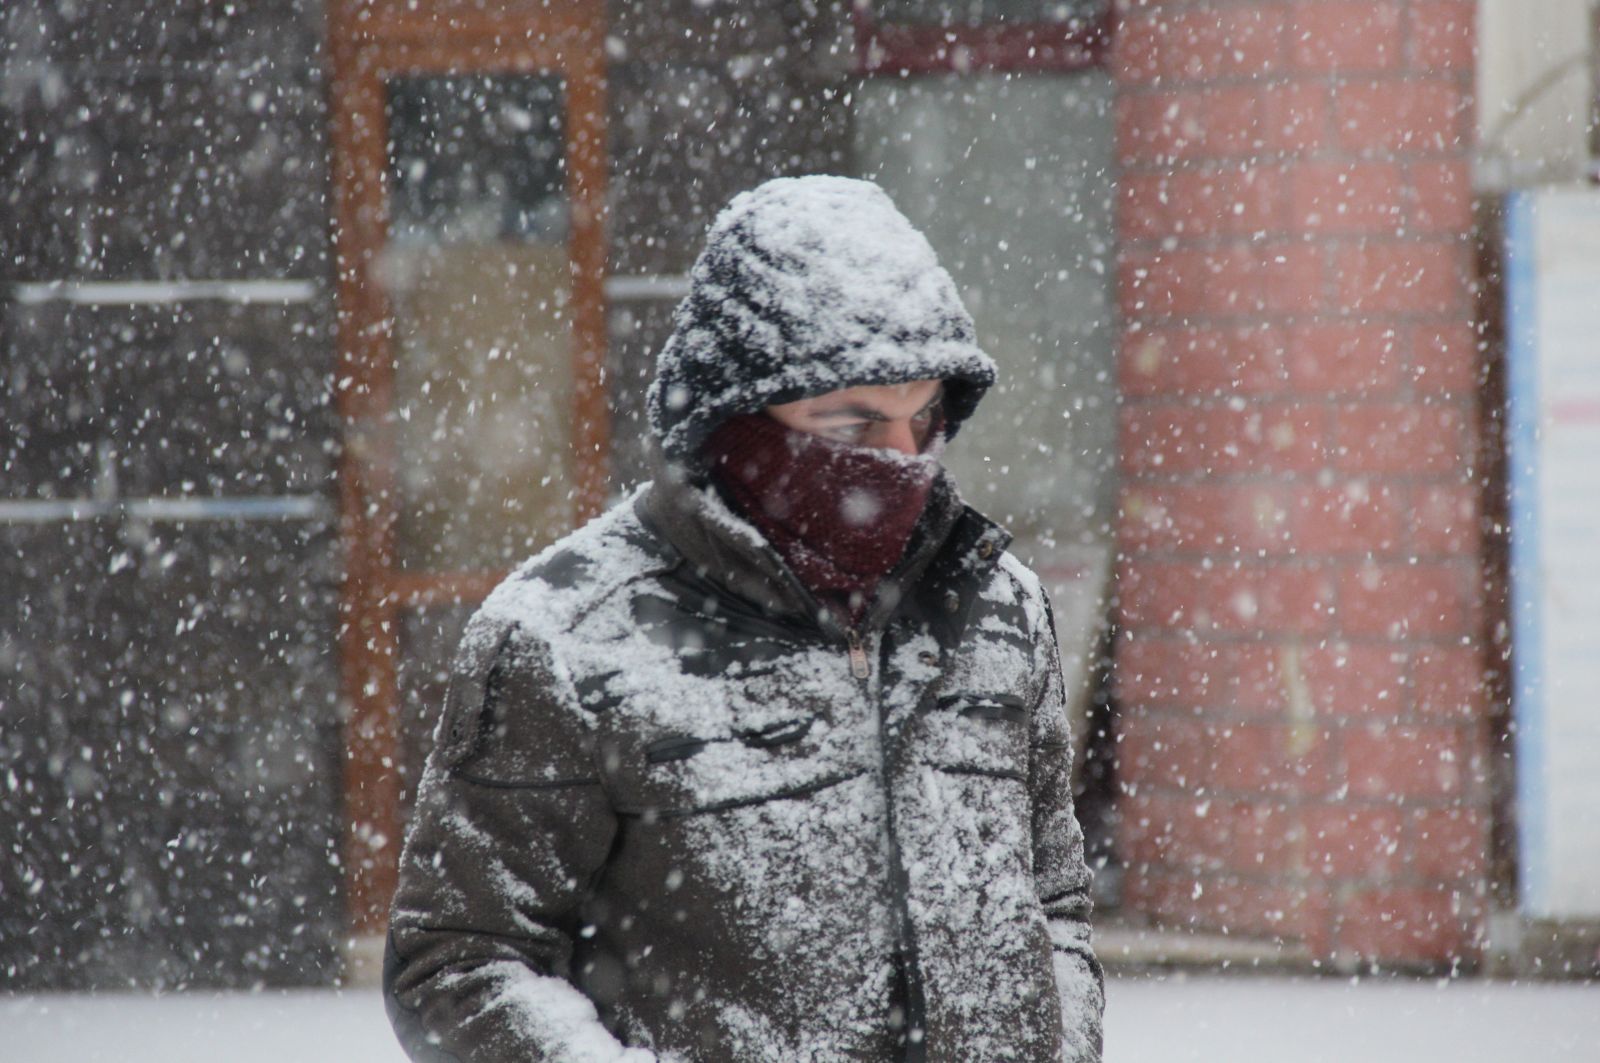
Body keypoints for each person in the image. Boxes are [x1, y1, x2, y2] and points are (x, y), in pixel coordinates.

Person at [383, 175, 1104, 1062]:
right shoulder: (565, 634)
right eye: (854, 426)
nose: (902, 462)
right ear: (736, 421)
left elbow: (1054, 905)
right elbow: (459, 961)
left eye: (924, 421)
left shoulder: (995, 604)